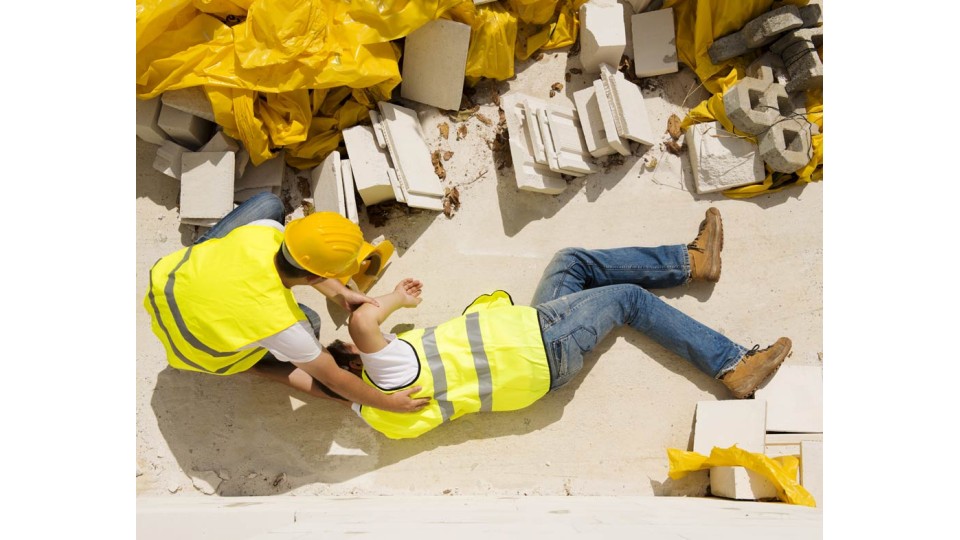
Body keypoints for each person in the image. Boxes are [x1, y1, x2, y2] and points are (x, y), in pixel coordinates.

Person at [328, 208, 791, 439]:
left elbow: (320, 383)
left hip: (535, 351)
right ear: (356, 364)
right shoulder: (389, 372)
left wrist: (305, 372)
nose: (381, 340)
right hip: (541, 342)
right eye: (359, 350)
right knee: (629, 299)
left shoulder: (378, 415)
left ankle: (692, 262)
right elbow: (364, 321)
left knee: (571, 263)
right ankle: (732, 365)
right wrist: (395, 299)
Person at [143, 192, 429, 413]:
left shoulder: (264, 231)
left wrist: (340, 293)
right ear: (317, 277)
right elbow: (334, 380)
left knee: (269, 203)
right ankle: (248, 364)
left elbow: (303, 264)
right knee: (312, 324)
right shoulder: (285, 325)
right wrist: (388, 403)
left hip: (166, 285)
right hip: (196, 352)